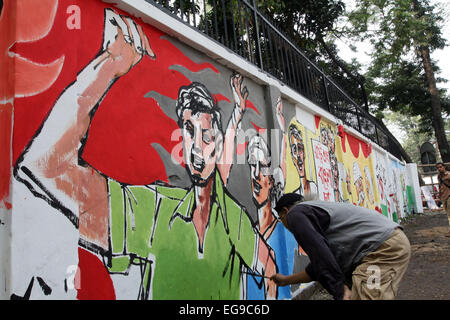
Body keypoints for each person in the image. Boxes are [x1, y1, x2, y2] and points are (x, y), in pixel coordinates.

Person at [14, 8, 276, 299]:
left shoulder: (234, 219)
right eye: (189, 130)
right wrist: (108, 68)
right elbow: (46, 167)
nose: (198, 144)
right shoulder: (153, 210)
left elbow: (270, 268)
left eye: (208, 135)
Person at [270, 193, 411, 300]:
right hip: (387, 245)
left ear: (285, 211)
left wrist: (340, 290)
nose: (286, 225)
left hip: (381, 249)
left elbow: (320, 255)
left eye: (281, 219)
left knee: (366, 296)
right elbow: (318, 268)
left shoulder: (295, 214)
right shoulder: (319, 214)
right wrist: (286, 280)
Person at [436, 162, 450, 236]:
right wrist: (439, 197)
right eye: (438, 168)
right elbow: (440, 187)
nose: (439, 169)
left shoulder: (449, 175)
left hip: (449, 196)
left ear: (444, 167)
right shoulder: (439, 177)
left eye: (440, 167)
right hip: (444, 197)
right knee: (448, 214)